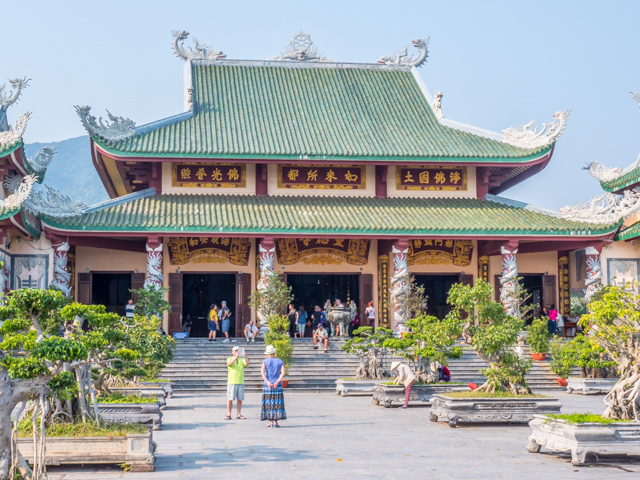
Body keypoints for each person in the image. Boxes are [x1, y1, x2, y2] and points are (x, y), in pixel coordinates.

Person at [260, 345, 286, 428]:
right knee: (276, 403)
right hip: (277, 385)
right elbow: (283, 372)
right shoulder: (279, 361)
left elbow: (262, 372)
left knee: (268, 403)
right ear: (274, 352)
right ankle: (275, 421)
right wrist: (278, 381)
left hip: (268, 385)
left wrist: (267, 381)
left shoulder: (265, 361)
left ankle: (270, 421)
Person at [226, 346, 249, 420]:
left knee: (240, 399)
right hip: (232, 381)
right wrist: (235, 357)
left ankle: (239, 414)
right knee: (230, 398)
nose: (236, 352)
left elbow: (247, 364)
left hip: (240, 381)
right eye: (235, 351)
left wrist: (245, 356)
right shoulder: (229, 358)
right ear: (232, 352)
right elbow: (230, 363)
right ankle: (229, 414)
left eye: (237, 351)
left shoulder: (242, 359)